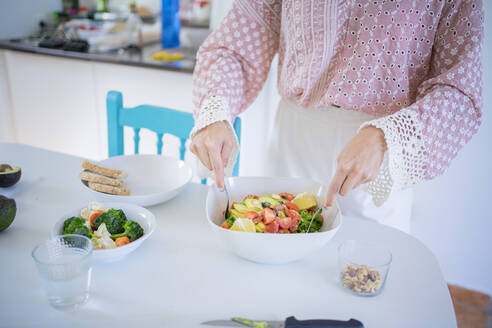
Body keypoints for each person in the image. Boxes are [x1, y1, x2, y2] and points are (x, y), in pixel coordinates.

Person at [189, 0, 483, 232]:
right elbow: (234, 49)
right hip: (294, 143)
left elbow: (459, 87)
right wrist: (215, 110)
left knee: (360, 281)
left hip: (377, 158)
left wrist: (386, 137)